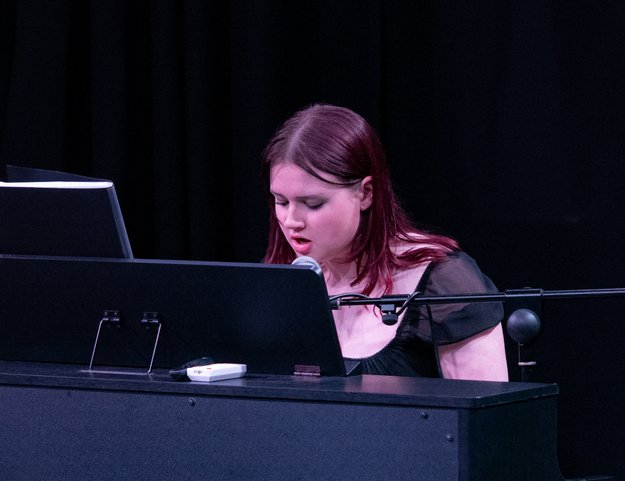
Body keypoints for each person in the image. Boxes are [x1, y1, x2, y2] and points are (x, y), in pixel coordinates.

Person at [262, 104, 508, 381]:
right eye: (281, 201)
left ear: (366, 193)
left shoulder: (443, 285)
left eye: (313, 203)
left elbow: (485, 406)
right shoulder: (280, 281)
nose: (291, 221)